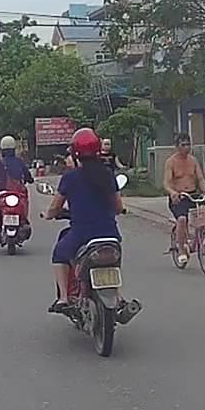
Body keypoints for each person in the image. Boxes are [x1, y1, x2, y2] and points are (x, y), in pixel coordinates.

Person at [42, 127, 124, 313]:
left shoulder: (70, 177)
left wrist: (48, 214)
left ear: (75, 153)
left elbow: (55, 207)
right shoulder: (107, 175)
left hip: (82, 235)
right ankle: (118, 296)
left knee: (59, 254)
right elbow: (118, 207)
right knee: (113, 261)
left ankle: (63, 298)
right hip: (110, 234)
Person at [163, 133, 205, 266]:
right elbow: (166, 183)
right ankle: (182, 250)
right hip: (179, 196)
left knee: (204, 212)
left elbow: (200, 178)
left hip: (193, 194)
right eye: (183, 145)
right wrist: (173, 193)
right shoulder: (171, 162)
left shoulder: (193, 160)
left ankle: (203, 237)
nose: (186, 148)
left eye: (188, 144)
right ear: (177, 146)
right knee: (182, 219)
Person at [0, 135, 34, 227]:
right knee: (24, 201)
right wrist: (30, 180)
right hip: (19, 193)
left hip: (3, 193)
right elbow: (28, 176)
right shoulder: (19, 162)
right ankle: (24, 219)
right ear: (14, 149)